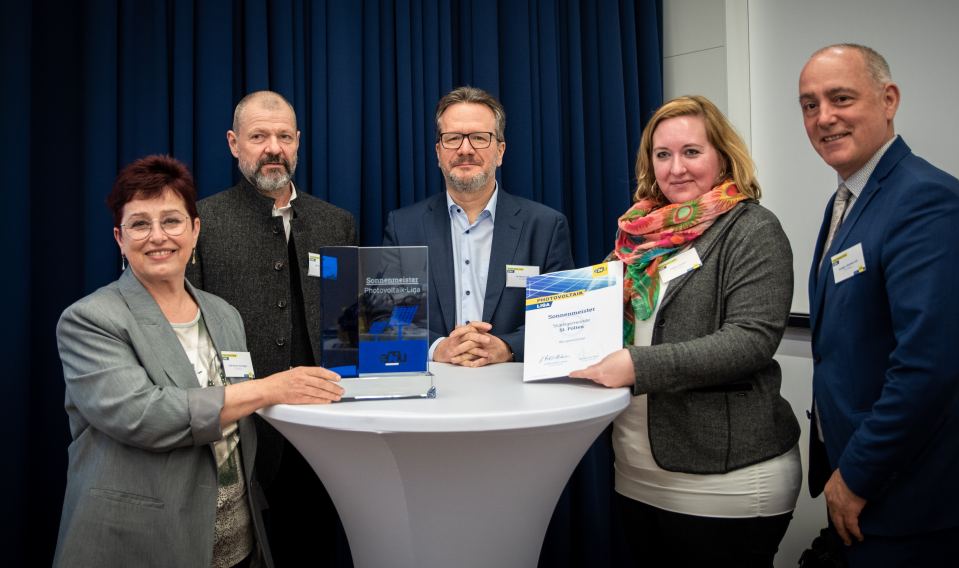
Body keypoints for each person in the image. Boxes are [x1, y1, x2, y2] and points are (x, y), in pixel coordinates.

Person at [54, 155, 343, 568]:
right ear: (120, 238)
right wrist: (270, 388)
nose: (158, 236)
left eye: (171, 221)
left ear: (195, 230)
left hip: (239, 543)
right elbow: (143, 415)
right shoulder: (91, 320)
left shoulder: (224, 314)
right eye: (140, 224)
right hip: (142, 544)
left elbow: (238, 422)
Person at [799, 43, 959, 566]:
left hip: (917, 490)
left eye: (841, 98)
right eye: (809, 104)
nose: (824, 118)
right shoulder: (848, 198)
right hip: (878, 481)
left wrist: (858, 473)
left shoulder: (925, 199)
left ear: (888, 99)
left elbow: (929, 366)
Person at [570, 95, 801, 567]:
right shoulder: (639, 238)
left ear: (723, 157)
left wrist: (636, 366)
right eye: (663, 154)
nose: (676, 168)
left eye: (691, 152)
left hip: (725, 479)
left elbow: (750, 341)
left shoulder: (752, 229)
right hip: (637, 470)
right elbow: (597, 321)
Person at [188, 91, 357, 565]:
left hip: (326, 433)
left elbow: (354, 327)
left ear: (298, 141)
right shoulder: (202, 222)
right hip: (240, 436)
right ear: (233, 143)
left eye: (284, 136)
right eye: (258, 136)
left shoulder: (337, 223)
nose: (273, 148)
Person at [382, 86, 574, 366]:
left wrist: (507, 347)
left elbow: (561, 316)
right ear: (438, 152)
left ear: (500, 151)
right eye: (453, 138)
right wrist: (437, 348)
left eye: (479, 138)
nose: (465, 149)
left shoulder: (545, 227)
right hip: (434, 382)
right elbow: (387, 315)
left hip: (513, 383)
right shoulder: (403, 227)